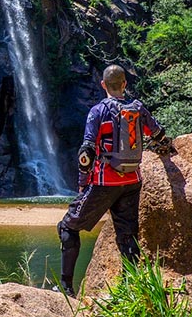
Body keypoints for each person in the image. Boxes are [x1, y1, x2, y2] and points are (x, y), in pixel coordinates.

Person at [56, 64, 171, 297]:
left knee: (67, 226)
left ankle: (66, 288)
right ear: (125, 84)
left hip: (104, 183)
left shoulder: (98, 111)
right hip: (132, 182)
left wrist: (82, 182)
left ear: (103, 85)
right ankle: (132, 289)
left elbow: (86, 152)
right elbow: (159, 134)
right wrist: (165, 149)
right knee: (127, 236)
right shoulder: (138, 108)